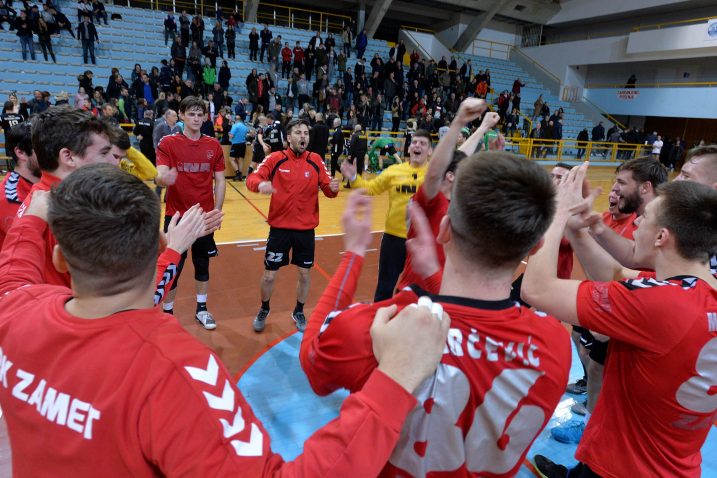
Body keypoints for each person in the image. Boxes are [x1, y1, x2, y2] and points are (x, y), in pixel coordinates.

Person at [0, 163, 451, 477]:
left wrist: (38, 200)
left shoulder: (14, 307)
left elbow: (17, 257)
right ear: (153, 246)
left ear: (60, 257)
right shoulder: (175, 370)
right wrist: (395, 378)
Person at [301, 150, 571, 476]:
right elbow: (476, 325)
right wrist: (433, 276)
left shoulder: (388, 323)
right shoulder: (555, 342)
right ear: (535, 246)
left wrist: (354, 254)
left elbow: (313, 360)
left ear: (444, 230)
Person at [523, 164, 717, 478]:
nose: (637, 222)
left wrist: (556, 215)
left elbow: (537, 289)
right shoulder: (697, 290)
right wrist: (577, 229)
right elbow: (619, 276)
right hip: (674, 464)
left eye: (646, 218)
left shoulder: (661, 303)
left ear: (662, 237)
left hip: (621, 467)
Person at [246, 119, 340, 333]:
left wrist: (333, 188)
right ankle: (264, 308)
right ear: (289, 137)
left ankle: (298, 310)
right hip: (279, 229)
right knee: (269, 275)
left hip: (306, 230)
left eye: (306, 133)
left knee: (305, 274)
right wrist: (260, 184)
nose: (303, 137)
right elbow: (252, 177)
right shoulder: (275, 159)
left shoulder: (315, 160)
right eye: (298, 132)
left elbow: (328, 189)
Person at [155, 97, 226, 330]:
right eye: (191, 114)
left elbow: (220, 180)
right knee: (173, 267)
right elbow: (161, 173)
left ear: (205, 117)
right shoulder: (168, 143)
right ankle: (168, 313)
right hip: (176, 217)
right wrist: (163, 177)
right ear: (182, 115)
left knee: (202, 263)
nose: (196, 118)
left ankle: (202, 310)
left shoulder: (213, 145)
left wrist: (217, 211)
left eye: (199, 114)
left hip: (204, 217)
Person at [341, 129, 433, 301]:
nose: (417, 146)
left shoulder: (434, 175)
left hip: (421, 241)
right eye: (414, 142)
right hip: (394, 239)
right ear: (408, 147)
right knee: (384, 288)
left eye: (422, 143)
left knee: (418, 291)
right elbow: (371, 188)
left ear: (430, 151)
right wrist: (354, 177)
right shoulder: (394, 171)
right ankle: (378, 321)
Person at [0, 122, 40, 248]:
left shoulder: (46, 183)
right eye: (41, 148)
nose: (50, 153)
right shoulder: (10, 199)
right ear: (21, 152)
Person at [228, 115, 248, 181]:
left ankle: (237, 173)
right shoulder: (245, 127)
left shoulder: (235, 126)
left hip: (236, 144)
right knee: (240, 159)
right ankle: (240, 175)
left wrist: (229, 134)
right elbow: (246, 135)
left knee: (231, 159)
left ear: (236, 120)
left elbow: (231, 135)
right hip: (243, 144)